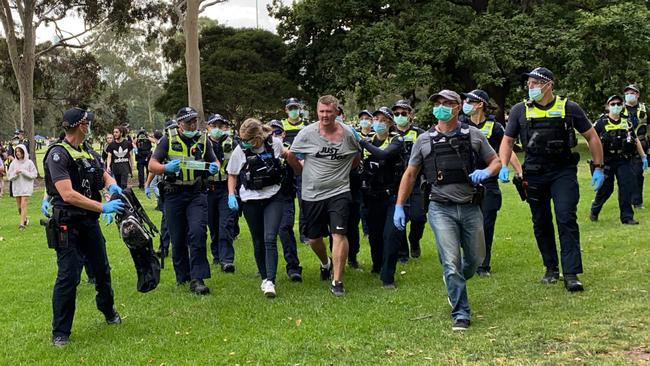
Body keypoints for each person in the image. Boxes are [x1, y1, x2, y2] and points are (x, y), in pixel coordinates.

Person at [394, 89, 500, 330]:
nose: (442, 106)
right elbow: (410, 174)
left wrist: (487, 171)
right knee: (451, 262)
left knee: (475, 259)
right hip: (440, 208)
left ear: (458, 106)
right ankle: (461, 312)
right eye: (438, 103)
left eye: (447, 103)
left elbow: (495, 161)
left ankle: (454, 280)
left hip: (471, 207)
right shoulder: (424, 140)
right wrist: (399, 205)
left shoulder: (473, 135)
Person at [498, 67, 604, 292]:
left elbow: (592, 137)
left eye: (535, 83)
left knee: (566, 217)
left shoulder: (569, 108)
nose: (531, 87)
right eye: (529, 83)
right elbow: (507, 141)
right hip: (534, 173)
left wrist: (599, 167)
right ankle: (551, 268)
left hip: (562, 171)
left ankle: (572, 273)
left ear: (549, 85)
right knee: (541, 221)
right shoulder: (519, 111)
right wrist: (504, 165)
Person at [44, 107, 126, 347]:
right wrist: (103, 208)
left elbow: (103, 173)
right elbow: (67, 194)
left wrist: (111, 186)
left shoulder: (87, 151)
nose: (90, 126)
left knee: (102, 270)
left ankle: (108, 311)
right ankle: (60, 332)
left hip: (89, 223)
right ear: (82, 126)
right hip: (67, 224)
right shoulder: (57, 154)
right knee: (69, 277)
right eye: (87, 123)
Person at [288, 95, 361, 296]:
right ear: (316, 111)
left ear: (337, 112)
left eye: (329, 111)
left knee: (339, 233)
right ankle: (325, 262)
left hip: (339, 191)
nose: (325, 115)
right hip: (312, 193)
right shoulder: (306, 134)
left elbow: (356, 157)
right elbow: (292, 156)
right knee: (314, 238)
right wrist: (301, 171)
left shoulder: (348, 135)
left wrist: (344, 172)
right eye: (321, 111)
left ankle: (337, 282)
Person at [148, 107, 220, 295]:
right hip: (173, 194)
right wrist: (165, 167)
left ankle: (198, 278)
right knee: (177, 237)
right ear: (179, 124)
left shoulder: (203, 140)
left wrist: (214, 167)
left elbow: (215, 161)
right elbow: (152, 164)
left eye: (195, 121)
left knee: (197, 232)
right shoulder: (167, 140)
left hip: (196, 193)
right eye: (188, 122)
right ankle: (183, 276)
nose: (192, 125)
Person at [227, 118, 295, 297]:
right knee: (257, 239)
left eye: (247, 140)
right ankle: (264, 277)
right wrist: (230, 194)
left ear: (257, 138)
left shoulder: (274, 144)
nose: (244, 143)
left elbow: (288, 155)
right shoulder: (240, 151)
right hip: (250, 199)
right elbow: (232, 174)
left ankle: (271, 280)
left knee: (270, 238)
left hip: (274, 196)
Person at [459, 90, 523, 277]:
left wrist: (516, 170)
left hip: (488, 182)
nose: (465, 103)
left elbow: (508, 148)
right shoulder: (461, 125)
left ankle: (483, 265)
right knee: (465, 224)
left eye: (469, 101)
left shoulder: (494, 127)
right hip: (466, 182)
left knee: (486, 224)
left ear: (480, 104)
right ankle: (468, 258)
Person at [358, 107, 405, 287]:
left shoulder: (397, 140)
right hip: (371, 195)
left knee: (390, 235)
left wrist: (362, 142)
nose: (378, 122)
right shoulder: (369, 140)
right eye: (376, 118)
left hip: (392, 195)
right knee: (375, 235)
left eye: (383, 119)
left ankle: (388, 276)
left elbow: (384, 154)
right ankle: (377, 265)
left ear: (390, 123)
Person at [590, 95, 647, 224]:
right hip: (607, 160)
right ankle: (595, 210)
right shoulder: (601, 123)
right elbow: (591, 140)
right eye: (613, 104)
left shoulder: (626, 122)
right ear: (607, 106)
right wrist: (597, 159)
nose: (616, 106)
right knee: (606, 189)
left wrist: (643, 156)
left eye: (618, 103)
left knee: (626, 187)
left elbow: (635, 139)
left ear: (622, 106)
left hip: (623, 160)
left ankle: (627, 217)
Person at [268, 119, 303, 280]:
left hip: (285, 196)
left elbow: (299, 171)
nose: (274, 135)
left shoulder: (290, 152)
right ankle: (266, 268)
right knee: (266, 234)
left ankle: (293, 267)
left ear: (283, 134)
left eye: (277, 132)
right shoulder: (261, 151)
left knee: (285, 229)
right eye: (270, 132)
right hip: (266, 198)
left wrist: (288, 157)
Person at [391, 100, 426, 261]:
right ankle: (402, 253)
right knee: (399, 219)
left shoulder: (420, 134)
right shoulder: (390, 134)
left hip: (416, 182)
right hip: (395, 182)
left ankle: (415, 240)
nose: (400, 117)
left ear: (410, 115)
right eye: (396, 114)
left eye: (403, 114)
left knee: (419, 217)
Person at [206, 114, 237, 273]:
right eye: (214, 125)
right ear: (208, 126)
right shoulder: (202, 143)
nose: (217, 128)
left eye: (220, 125)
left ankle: (227, 259)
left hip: (226, 187)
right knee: (213, 224)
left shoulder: (231, 143)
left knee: (226, 223)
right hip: (208, 188)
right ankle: (217, 255)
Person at [144, 129, 170, 259]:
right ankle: (163, 247)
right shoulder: (162, 147)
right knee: (166, 219)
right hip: (165, 187)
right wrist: (147, 185)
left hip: (181, 188)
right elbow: (152, 168)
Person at [622, 85, 648, 208]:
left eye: (632, 93)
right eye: (627, 93)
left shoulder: (645, 109)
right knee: (632, 174)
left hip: (643, 144)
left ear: (637, 94)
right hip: (626, 145)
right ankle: (633, 201)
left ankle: (636, 201)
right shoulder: (619, 109)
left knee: (638, 174)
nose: (629, 95)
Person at [7, 144, 37, 229]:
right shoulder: (13, 163)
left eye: (19, 152)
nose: (17, 153)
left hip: (26, 188)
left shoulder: (29, 163)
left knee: (24, 204)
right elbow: (9, 176)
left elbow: (34, 175)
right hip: (17, 188)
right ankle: (24, 218)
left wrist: (24, 172)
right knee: (19, 207)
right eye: (16, 152)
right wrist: (15, 174)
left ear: (23, 152)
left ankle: (22, 225)